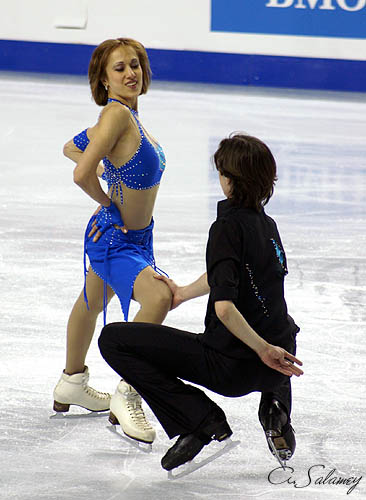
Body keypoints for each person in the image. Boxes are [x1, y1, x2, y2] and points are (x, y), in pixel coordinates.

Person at [98, 133, 304, 471]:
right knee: (277, 319)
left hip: (235, 366)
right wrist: (182, 293)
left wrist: (260, 349)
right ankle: (275, 408)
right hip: (279, 365)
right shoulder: (268, 226)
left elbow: (225, 307)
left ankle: (200, 420)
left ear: (229, 180)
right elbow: (231, 274)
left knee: (115, 340)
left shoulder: (225, 227)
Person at [53, 38, 172, 444]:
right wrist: (107, 202)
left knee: (91, 302)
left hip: (136, 237)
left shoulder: (126, 118)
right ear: (104, 79)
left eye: (135, 65)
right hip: (115, 240)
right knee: (158, 299)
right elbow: (79, 172)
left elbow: (73, 147)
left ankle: (72, 381)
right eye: (119, 68)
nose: (130, 73)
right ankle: (128, 392)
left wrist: (104, 165)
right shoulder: (116, 115)